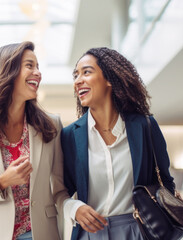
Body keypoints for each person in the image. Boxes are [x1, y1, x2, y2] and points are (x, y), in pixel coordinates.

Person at [0, 41, 70, 240]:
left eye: (38, 66)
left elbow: (60, 189)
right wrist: (1, 182)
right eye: (29, 65)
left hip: (40, 234)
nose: (38, 73)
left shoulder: (51, 125)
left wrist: (75, 210)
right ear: (7, 71)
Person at [61, 47, 177, 240]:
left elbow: (165, 181)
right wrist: (74, 208)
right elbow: (59, 191)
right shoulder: (70, 135)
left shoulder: (145, 126)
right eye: (76, 75)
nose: (78, 81)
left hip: (139, 230)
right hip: (90, 234)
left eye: (86, 72)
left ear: (109, 79)